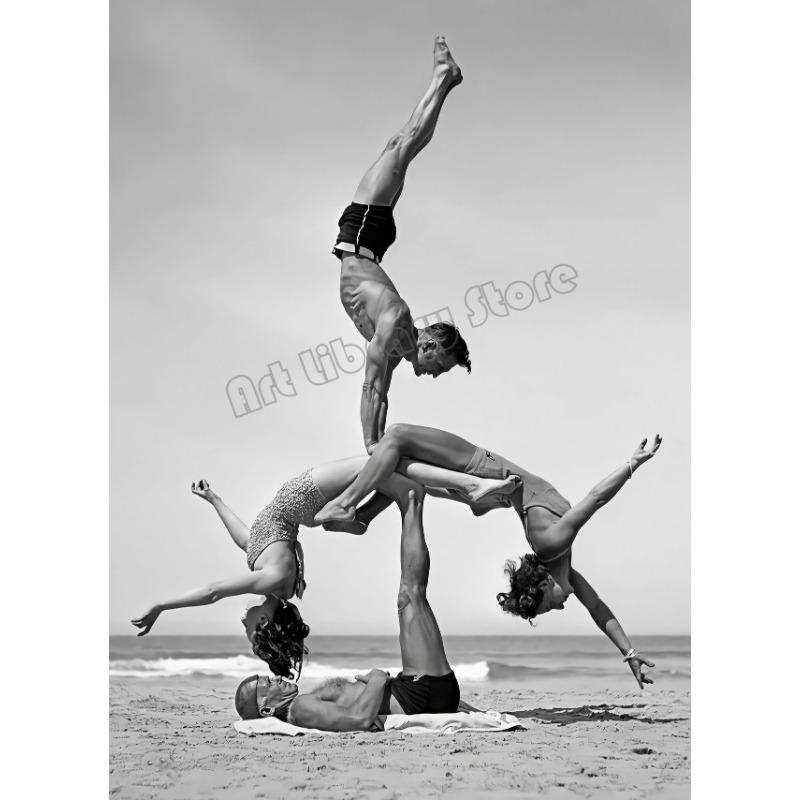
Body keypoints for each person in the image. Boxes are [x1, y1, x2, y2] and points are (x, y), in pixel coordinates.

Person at [314, 424, 661, 688]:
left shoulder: (552, 547)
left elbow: (596, 500)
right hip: (488, 480)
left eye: (548, 606)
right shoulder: (560, 555)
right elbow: (598, 605)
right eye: (550, 607)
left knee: (397, 440)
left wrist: (633, 463)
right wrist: (628, 653)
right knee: (398, 452)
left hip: (483, 472)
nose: (558, 607)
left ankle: (354, 509)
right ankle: (356, 512)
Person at [131, 457, 518, 674]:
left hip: (301, 503)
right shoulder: (273, 579)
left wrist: (214, 499)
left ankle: (464, 496)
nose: (244, 626)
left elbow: (246, 539)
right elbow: (213, 590)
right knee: (389, 458)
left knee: (394, 474)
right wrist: (162, 606)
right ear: (265, 624)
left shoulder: (271, 580)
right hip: (304, 496)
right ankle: (471, 491)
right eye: (250, 633)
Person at [333, 36, 471, 453]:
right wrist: (371, 443)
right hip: (362, 239)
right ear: (429, 345)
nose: (432, 375)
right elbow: (371, 384)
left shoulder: (399, 342)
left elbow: (382, 392)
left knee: (404, 148)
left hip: (368, 244)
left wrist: (376, 443)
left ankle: (445, 81)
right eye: (439, 366)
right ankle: (442, 81)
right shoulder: (396, 322)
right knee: (402, 144)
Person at [235, 490, 463, 730]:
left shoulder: (302, 705)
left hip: (416, 690)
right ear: (267, 709)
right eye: (269, 684)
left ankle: (409, 500)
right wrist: (376, 680)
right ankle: (410, 499)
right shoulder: (300, 708)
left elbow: (352, 710)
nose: (277, 678)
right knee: (410, 596)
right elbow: (358, 720)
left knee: (410, 596)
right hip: (418, 695)